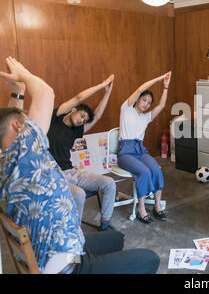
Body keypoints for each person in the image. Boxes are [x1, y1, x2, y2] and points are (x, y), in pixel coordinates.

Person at [0, 57, 160, 274]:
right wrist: (24, 77)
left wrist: (18, 92)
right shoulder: (28, 157)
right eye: (25, 123)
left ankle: (103, 226)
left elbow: (9, 121)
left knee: (116, 238)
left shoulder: (8, 162)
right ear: (19, 127)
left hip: (55, 248)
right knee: (150, 259)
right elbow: (45, 93)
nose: (30, 125)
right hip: (67, 264)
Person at [46, 74, 117, 231]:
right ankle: (74, 232)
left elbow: (97, 116)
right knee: (79, 194)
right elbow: (79, 97)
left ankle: (105, 224)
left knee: (109, 183)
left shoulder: (77, 130)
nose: (81, 121)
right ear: (73, 110)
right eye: (81, 116)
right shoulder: (55, 118)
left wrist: (107, 92)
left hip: (71, 171)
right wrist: (101, 85)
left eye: (84, 120)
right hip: (53, 174)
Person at [117, 71, 172, 224]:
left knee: (156, 169)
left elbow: (161, 105)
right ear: (138, 99)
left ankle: (157, 206)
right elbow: (140, 89)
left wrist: (165, 87)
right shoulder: (126, 109)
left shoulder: (146, 117)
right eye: (144, 100)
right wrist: (159, 78)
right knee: (144, 172)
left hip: (139, 150)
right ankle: (141, 209)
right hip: (125, 152)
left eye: (148, 103)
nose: (146, 104)